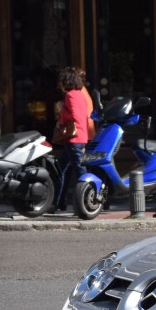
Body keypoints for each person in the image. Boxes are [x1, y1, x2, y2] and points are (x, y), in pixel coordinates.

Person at [53, 67, 90, 213]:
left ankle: (87, 201)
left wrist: (61, 114)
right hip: (79, 137)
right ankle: (58, 202)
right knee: (62, 169)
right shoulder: (80, 94)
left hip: (74, 138)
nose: (60, 84)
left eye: (62, 80)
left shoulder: (70, 96)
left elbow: (74, 117)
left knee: (80, 171)